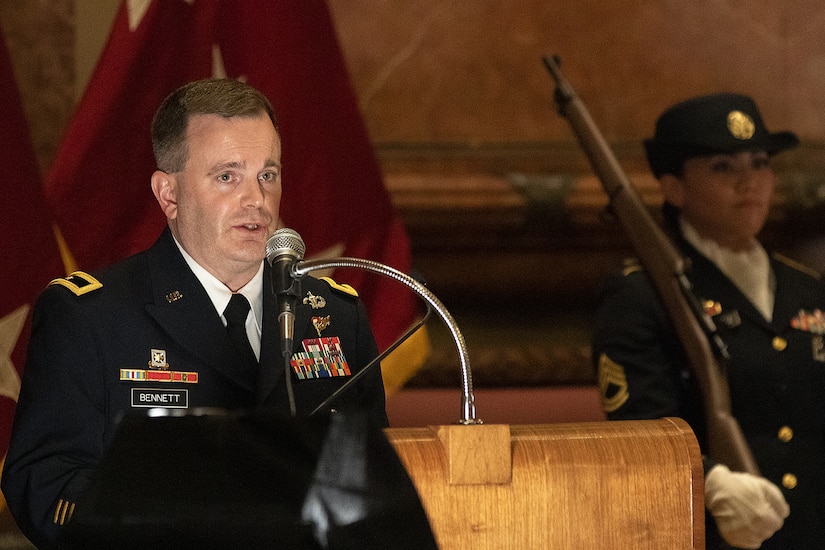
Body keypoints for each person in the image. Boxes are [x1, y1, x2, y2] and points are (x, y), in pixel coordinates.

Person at [1, 78, 388, 549]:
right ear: (168, 194)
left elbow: (377, 486)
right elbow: (44, 486)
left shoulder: (335, 316)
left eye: (268, 174)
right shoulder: (91, 318)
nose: (256, 200)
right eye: (228, 176)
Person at [592, 93, 825, 549]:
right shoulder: (643, 294)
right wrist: (712, 483)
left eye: (760, 163)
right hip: (712, 535)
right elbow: (638, 431)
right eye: (723, 167)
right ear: (674, 187)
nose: (749, 183)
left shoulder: (808, 289)